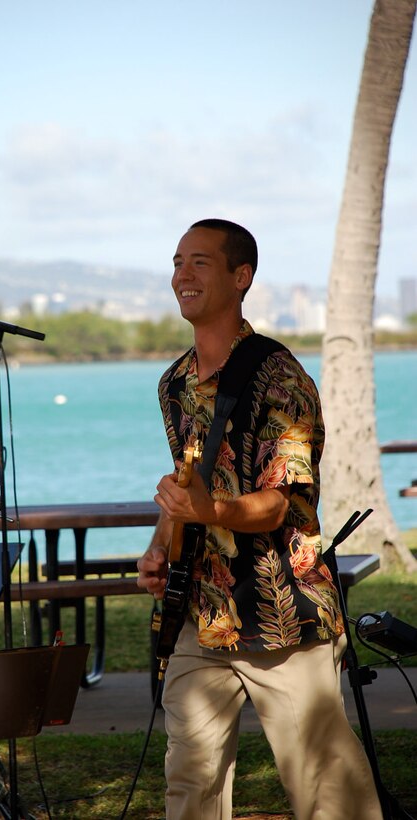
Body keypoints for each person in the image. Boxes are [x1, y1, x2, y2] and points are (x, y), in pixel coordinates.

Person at [136, 219, 382, 819]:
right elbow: (191, 482)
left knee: (327, 790)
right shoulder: (174, 384)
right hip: (202, 609)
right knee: (189, 784)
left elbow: (282, 503)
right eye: (176, 261)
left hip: (282, 616)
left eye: (199, 262)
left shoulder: (280, 376)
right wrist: (161, 543)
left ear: (240, 277)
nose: (181, 274)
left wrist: (209, 510)